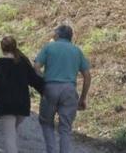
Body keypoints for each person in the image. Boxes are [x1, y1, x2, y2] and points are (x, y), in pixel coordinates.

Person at [0, 36, 45, 153]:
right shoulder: (23, 64)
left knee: (9, 136)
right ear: (15, 47)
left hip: (6, 106)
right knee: (12, 132)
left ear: (2, 48)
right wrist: (47, 90)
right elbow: (36, 82)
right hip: (22, 106)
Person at [35, 24, 92, 153]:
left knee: (46, 123)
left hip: (50, 88)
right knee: (65, 128)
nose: (53, 36)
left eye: (54, 34)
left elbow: (36, 67)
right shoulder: (76, 51)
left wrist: (44, 81)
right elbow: (87, 76)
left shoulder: (49, 47)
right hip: (69, 90)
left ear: (58, 35)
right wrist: (82, 98)